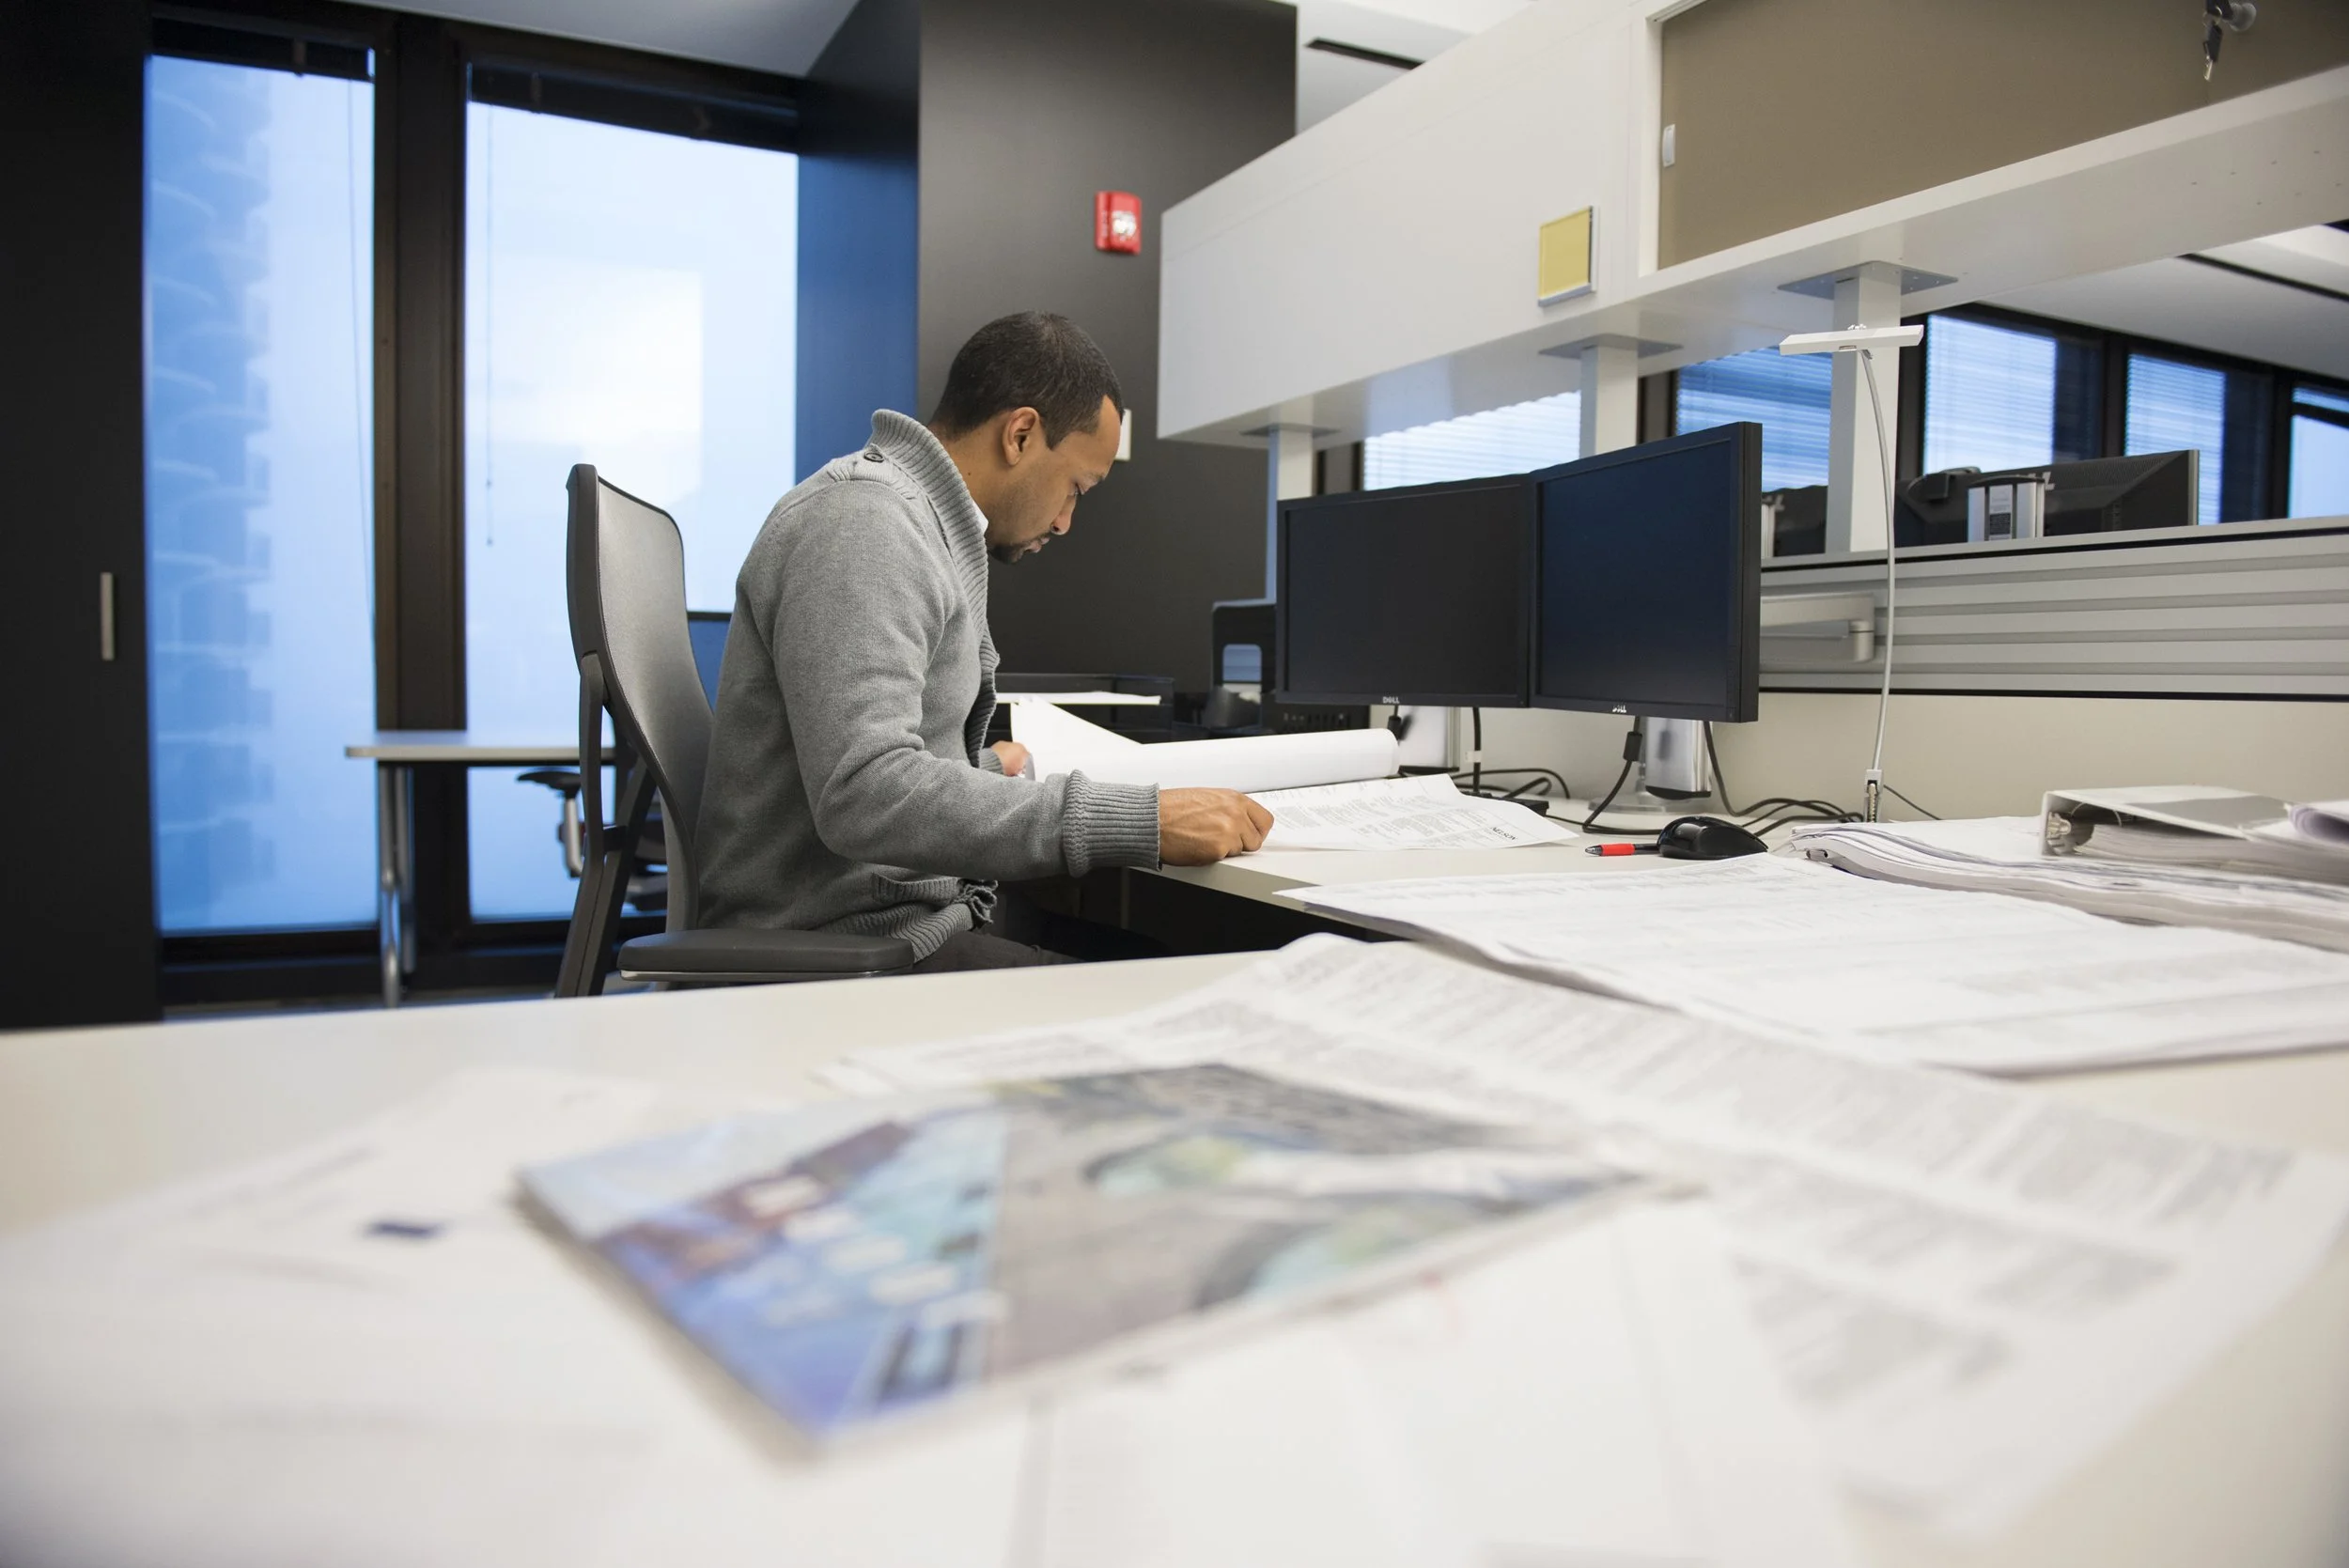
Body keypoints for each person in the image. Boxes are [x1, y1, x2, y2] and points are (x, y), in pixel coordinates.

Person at [696, 312, 1273, 970]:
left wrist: (981, 769)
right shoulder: (863, 524)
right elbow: (864, 791)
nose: (1064, 520)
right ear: (1021, 433)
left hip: (905, 915)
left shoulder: (919, 525)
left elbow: (858, 766)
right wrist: (1137, 821)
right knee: (1186, 982)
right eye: (1075, 488)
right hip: (846, 942)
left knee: (1176, 959)